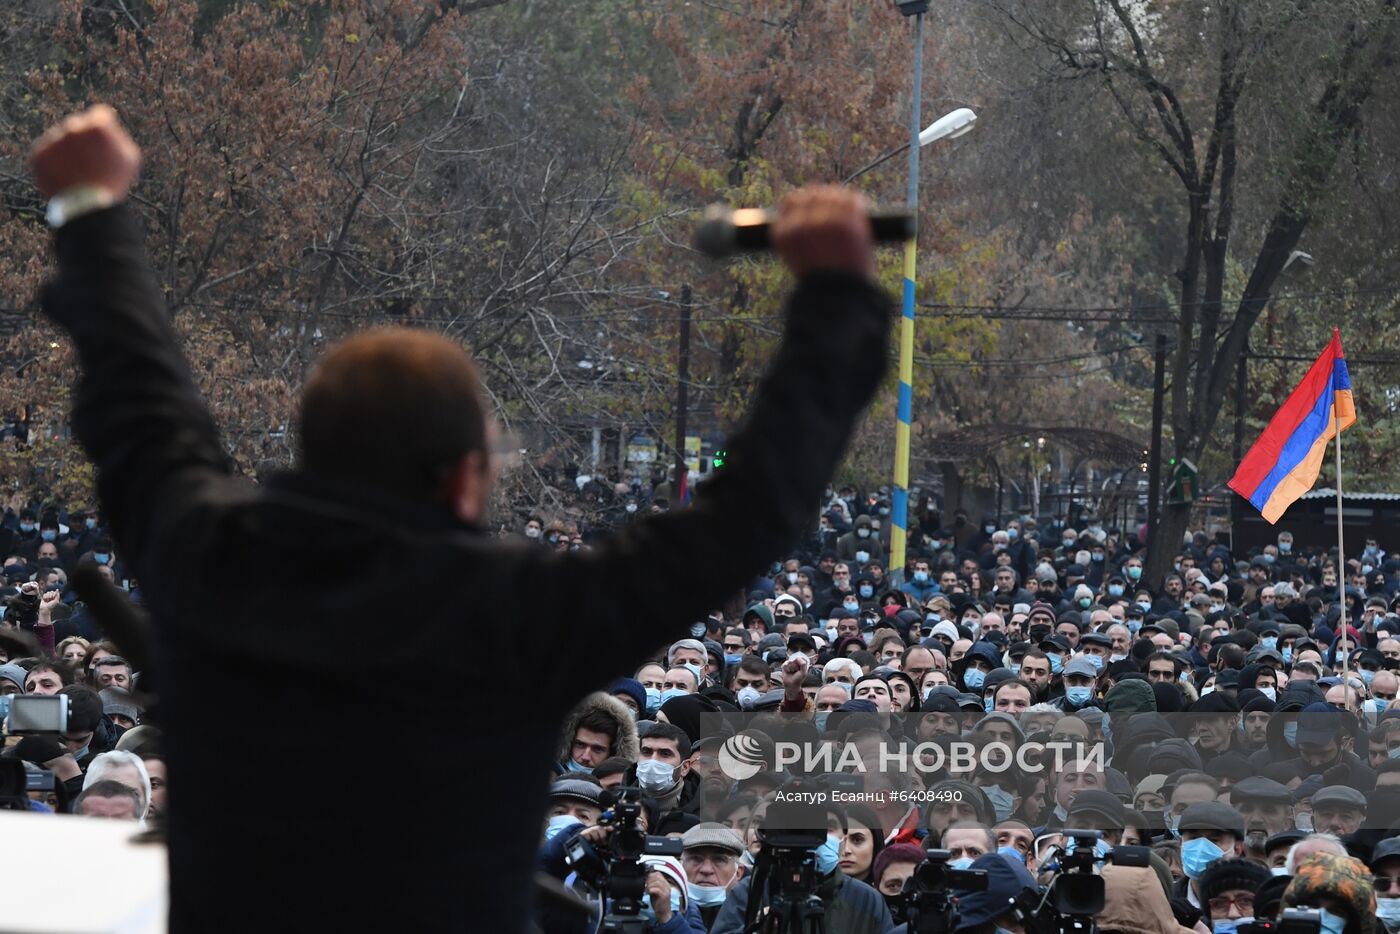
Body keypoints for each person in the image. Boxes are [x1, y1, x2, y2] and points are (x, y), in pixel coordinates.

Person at [30, 105, 893, 933]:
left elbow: (138, 399)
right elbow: (747, 512)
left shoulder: (209, 553)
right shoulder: (513, 611)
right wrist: (834, 295)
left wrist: (90, 207)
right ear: (463, 478)